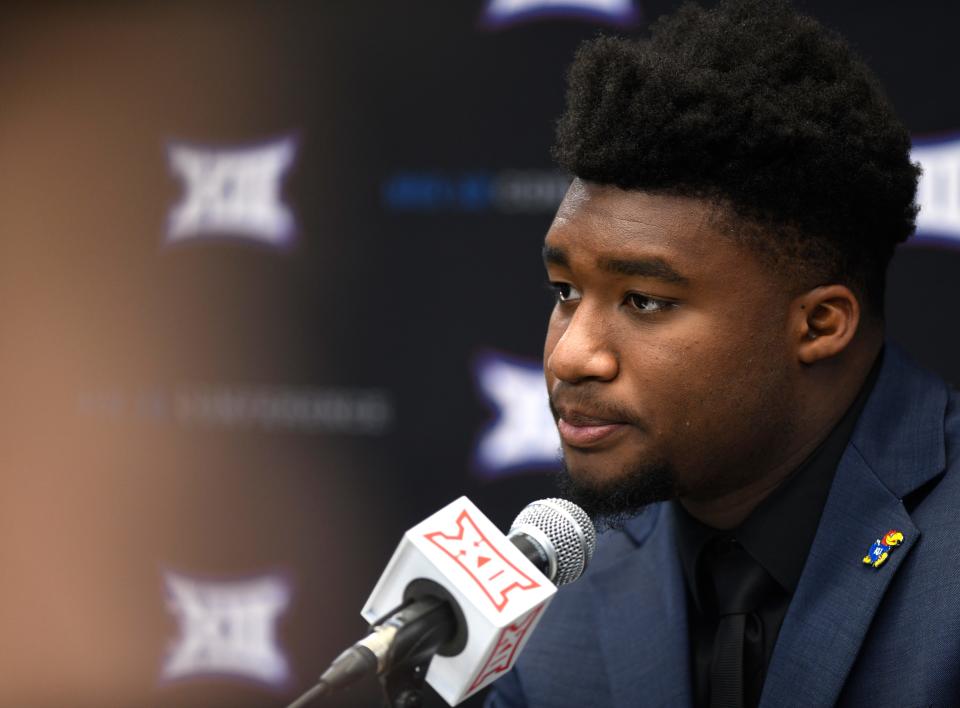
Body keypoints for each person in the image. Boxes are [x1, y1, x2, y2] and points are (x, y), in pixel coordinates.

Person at [485, 0, 960, 706]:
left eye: (645, 300)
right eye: (564, 291)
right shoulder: (552, 588)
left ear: (820, 324)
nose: (571, 356)